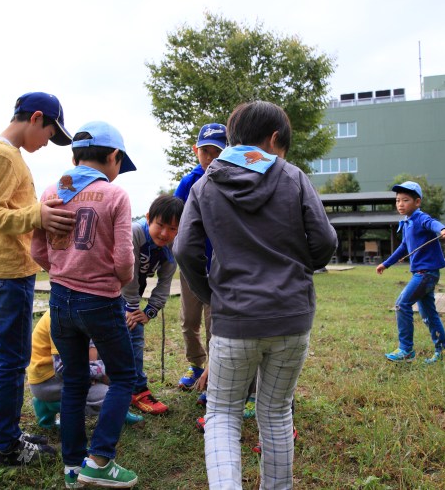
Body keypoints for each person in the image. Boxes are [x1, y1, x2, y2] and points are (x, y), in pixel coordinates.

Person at [173, 101, 338, 490]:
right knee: (276, 413)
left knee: (223, 414)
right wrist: (299, 269)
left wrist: (211, 294)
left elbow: (184, 250)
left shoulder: (205, 184)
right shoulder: (293, 177)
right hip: (292, 317)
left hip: (233, 320)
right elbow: (325, 241)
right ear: (275, 138)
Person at [0, 91, 76, 470]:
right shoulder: (2, 155)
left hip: (2, 268)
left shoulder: (5, 153)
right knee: (12, 361)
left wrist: (36, 214)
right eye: (49, 132)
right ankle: (4, 448)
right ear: (35, 118)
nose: (47, 141)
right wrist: (39, 215)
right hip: (6, 271)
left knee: (0, 357)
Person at [31, 121, 139, 488]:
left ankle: (72, 466)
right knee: (123, 376)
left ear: (75, 155)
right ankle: (100, 459)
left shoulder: (53, 190)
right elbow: (124, 258)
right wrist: (118, 280)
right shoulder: (115, 195)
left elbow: (37, 250)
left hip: (59, 299)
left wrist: (62, 271)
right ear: (114, 156)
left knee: (74, 380)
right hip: (101, 300)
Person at [376, 181, 445, 364]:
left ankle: (406, 350)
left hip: (426, 273)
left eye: (405, 200)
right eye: (397, 200)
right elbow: (403, 247)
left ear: (417, 202)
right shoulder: (407, 223)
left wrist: (443, 229)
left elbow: (432, 223)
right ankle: (444, 353)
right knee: (428, 314)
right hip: (422, 274)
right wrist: (386, 264)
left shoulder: (420, 218)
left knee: (402, 304)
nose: (400, 204)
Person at [174, 123, 227, 396]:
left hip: (220, 267)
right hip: (191, 266)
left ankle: (214, 374)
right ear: (196, 150)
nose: (210, 158)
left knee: (214, 323)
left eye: (217, 152)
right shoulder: (188, 182)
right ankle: (196, 364)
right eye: (205, 151)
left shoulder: (230, 181)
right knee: (189, 320)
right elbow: (175, 219)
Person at [122, 194, 185, 415]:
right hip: (110, 288)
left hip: (132, 292)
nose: (165, 233)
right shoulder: (134, 232)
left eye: (172, 228)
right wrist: (132, 307)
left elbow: (165, 282)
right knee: (133, 334)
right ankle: (137, 390)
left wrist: (150, 311)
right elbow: (127, 272)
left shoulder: (173, 246)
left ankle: (125, 387)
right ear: (149, 218)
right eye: (160, 225)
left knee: (130, 333)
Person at [26, 312, 143, 428]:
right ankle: (48, 405)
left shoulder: (88, 310)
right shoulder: (60, 317)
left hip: (77, 368)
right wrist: (102, 372)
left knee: (118, 385)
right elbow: (63, 368)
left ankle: (121, 409)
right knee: (111, 397)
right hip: (49, 381)